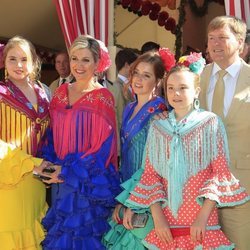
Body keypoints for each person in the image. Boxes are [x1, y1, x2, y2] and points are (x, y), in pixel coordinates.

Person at [119, 53, 249, 249]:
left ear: (197, 91)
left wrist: (202, 217)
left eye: (183, 88)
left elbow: (219, 172)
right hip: (166, 223)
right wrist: (158, 217)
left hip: (202, 224)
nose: (176, 94)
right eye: (171, 88)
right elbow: (150, 175)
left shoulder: (210, 123)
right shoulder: (158, 126)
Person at [39, 35, 121, 249]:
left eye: (86, 60)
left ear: (97, 63)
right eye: (75, 58)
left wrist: (67, 171)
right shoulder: (59, 94)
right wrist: (47, 165)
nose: (78, 65)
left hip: (87, 184)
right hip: (58, 182)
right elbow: (51, 135)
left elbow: (103, 149)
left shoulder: (103, 97)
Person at [103, 48, 175, 249]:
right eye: (136, 73)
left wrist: (134, 201)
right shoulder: (129, 107)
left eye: (147, 75)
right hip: (127, 189)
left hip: (147, 196)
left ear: (158, 81)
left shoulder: (159, 113)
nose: (138, 79)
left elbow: (154, 166)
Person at [200, 16, 250, 249]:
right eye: (211, 38)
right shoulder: (197, 78)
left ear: (240, 43)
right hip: (200, 187)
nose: (215, 44)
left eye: (223, 38)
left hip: (243, 189)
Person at [0, 36, 50, 249]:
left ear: (34, 62)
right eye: (12, 59)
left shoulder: (45, 92)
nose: (18, 65)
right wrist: (29, 163)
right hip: (8, 182)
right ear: (4, 62)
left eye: (24, 59)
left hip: (38, 184)